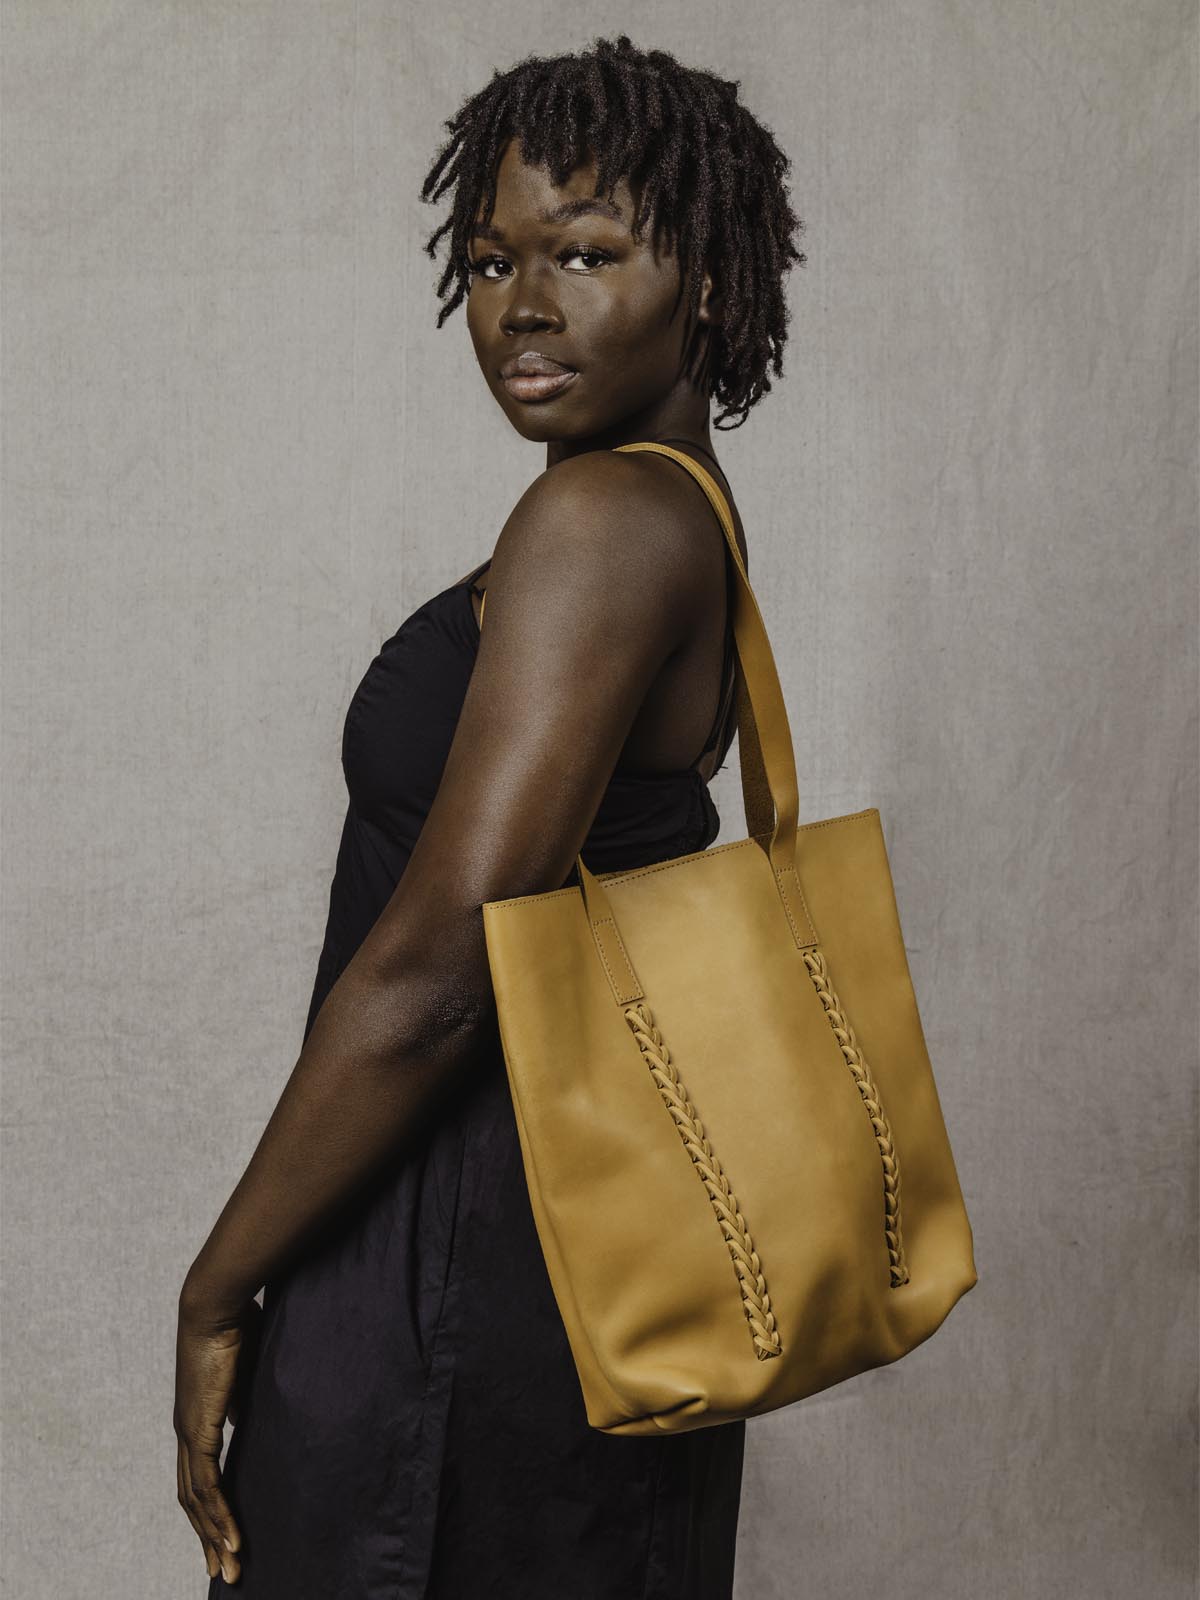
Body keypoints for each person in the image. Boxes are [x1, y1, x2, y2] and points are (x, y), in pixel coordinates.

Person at [174, 32, 806, 1598]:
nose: (521, 304)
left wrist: (216, 1286)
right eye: (489, 258)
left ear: (709, 280)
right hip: (575, 1265)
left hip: (467, 1267)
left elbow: (443, 969)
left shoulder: (600, 520)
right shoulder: (675, 513)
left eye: (586, 252)